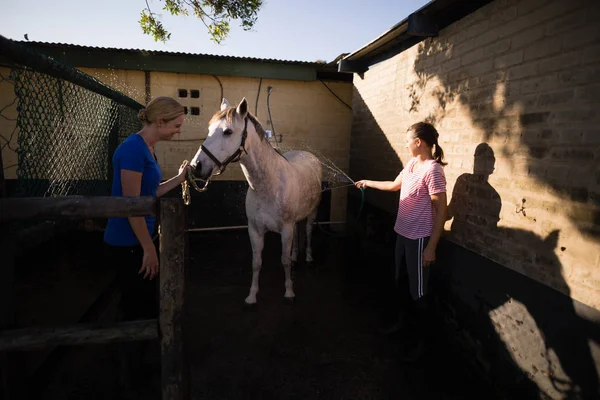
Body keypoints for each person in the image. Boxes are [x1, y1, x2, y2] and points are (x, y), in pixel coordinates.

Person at [355, 121, 447, 359]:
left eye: (408, 141)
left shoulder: (433, 170)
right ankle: (401, 325)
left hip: (419, 239)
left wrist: (431, 248)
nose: (406, 145)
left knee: (419, 293)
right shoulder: (412, 164)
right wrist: (368, 182)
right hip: (402, 234)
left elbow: (441, 211)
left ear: (419, 142)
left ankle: (422, 343)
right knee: (401, 283)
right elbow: (395, 186)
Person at [104, 96, 190, 321]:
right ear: (160, 122)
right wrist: (148, 249)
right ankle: (130, 352)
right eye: (176, 126)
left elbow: (150, 192)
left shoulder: (148, 148)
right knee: (136, 306)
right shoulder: (133, 149)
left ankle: (137, 349)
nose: (178, 131)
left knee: (143, 301)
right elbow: (132, 205)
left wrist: (180, 179)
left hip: (140, 239)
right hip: (128, 242)